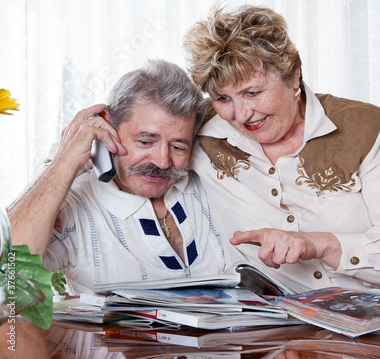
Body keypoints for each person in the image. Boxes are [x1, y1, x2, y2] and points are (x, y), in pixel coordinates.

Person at [183, 5, 380, 296]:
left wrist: (319, 244)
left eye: (253, 92)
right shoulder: (199, 130)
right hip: (295, 327)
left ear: (294, 75)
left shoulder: (368, 129)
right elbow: (141, 146)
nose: (242, 113)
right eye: (223, 97)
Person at [7, 59, 226, 295]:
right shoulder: (74, 204)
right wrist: (64, 160)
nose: (162, 161)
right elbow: (8, 271)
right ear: (108, 129)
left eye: (178, 147)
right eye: (145, 141)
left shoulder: (209, 182)